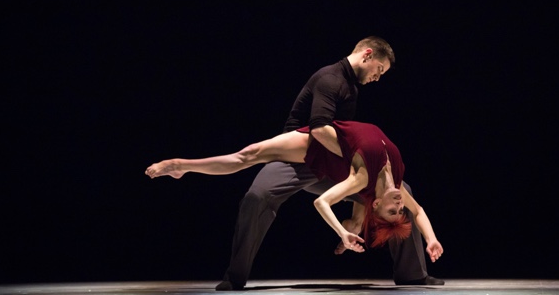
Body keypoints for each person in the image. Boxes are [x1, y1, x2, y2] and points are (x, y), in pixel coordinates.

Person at [157, 36, 443, 289]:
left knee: (399, 190)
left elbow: (367, 183)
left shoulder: (352, 88)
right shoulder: (330, 79)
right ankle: (235, 276)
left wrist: (355, 221)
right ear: (367, 54)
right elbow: (319, 129)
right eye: (379, 70)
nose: (378, 78)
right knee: (257, 196)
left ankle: (413, 274)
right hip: (300, 156)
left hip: (333, 161)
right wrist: (358, 157)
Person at [145, 120, 444, 260]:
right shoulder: (396, 182)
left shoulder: (362, 180)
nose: (400, 204)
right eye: (399, 209)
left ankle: (179, 165)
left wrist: (342, 232)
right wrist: (431, 239)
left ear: (376, 204)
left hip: (317, 148)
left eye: (393, 210)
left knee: (248, 154)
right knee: (248, 154)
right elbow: (419, 212)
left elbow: (322, 203)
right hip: (334, 141)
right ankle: (182, 166)